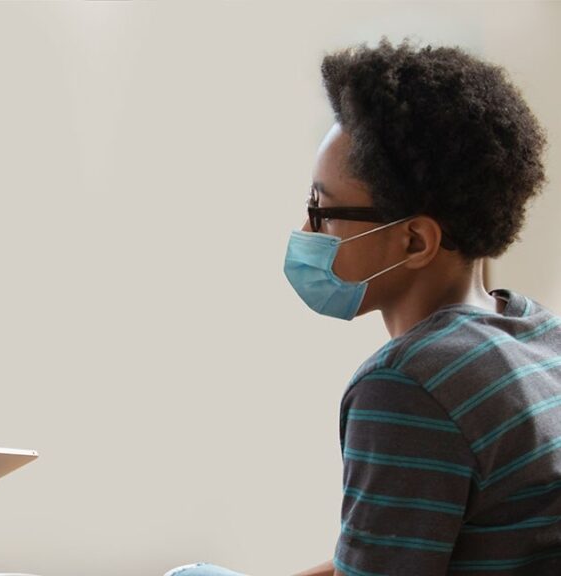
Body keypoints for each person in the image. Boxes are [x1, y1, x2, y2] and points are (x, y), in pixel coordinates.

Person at [168, 40, 556, 575]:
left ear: (415, 242)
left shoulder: (410, 386)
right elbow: (391, 550)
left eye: (323, 211)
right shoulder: (539, 333)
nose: (307, 232)